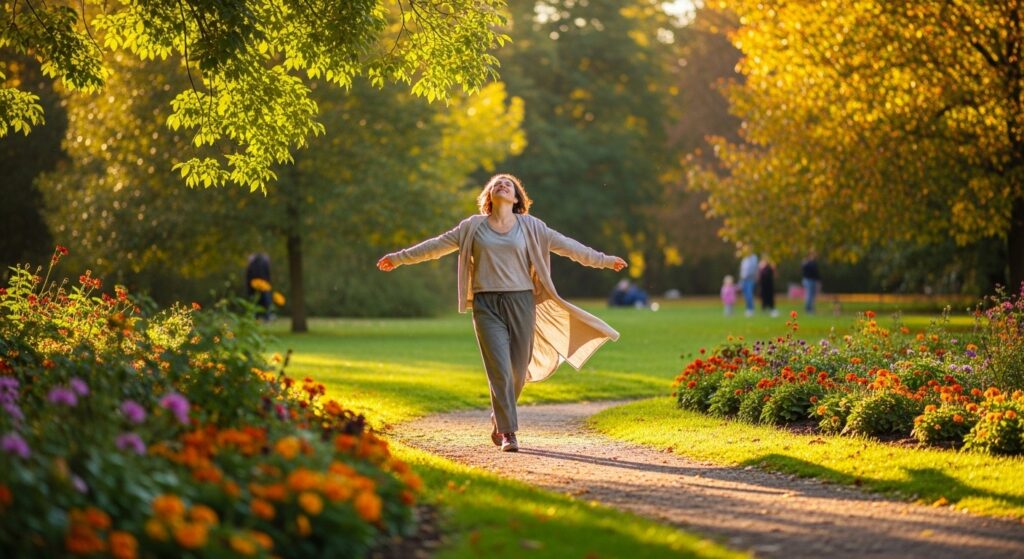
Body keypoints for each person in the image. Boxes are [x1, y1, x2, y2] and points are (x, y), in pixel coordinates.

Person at [377, 174, 627, 453]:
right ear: (489, 196)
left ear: (517, 198)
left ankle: (499, 418)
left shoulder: (532, 227)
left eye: (508, 184)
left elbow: (569, 247)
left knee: (517, 371)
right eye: (496, 184)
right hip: (486, 305)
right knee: (499, 369)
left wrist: (604, 260)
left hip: (522, 301)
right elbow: (436, 246)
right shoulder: (472, 227)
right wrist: (399, 258)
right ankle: (509, 432)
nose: (502, 185)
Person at [245, 252, 272, 321]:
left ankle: (261, 317)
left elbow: (248, 277)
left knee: (258, 303)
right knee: (264, 302)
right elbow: (267, 275)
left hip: (256, 287)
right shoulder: (262, 264)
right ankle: (265, 317)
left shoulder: (252, 265)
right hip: (260, 286)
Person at [739, 251, 759, 317]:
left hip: (750, 278)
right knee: (746, 294)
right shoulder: (744, 258)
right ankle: (748, 309)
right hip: (744, 279)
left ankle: (751, 309)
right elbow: (742, 269)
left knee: (749, 294)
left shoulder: (754, 258)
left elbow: (754, 268)